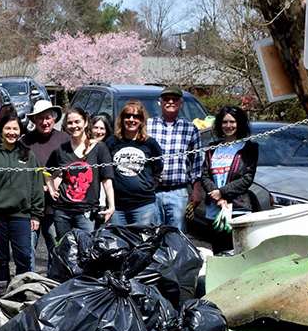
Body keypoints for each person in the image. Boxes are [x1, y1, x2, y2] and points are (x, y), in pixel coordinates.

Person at [0, 113, 44, 296]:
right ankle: (3, 293)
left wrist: (36, 214)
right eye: (8, 128)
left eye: (15, 128)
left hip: (21, 215)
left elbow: (36, 185)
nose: (11, 132)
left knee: (23, 256)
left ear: (20, 131)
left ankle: (23, 292)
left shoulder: (28, 155)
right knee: (0, 258)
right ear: (1, 130)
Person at [43, 106, 116, 239]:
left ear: (86, 122)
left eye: (77, 122)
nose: (73, 126)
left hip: (86, 211)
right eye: (70, 123)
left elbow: (107, 179)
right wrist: (52, 189)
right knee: (64, 249)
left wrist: (111, 205)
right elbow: (46, 171)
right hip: (62, 209)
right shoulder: (60, 150)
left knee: (86, 250)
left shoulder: (99, 148)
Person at [144, 85, 202, 233]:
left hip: (178, 193)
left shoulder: (190, 129)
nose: (170, 102)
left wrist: (196, 192)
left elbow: (196, 163)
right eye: (166, 99)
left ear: (180, 103)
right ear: (160, 102)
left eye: (175, 99)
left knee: (177, 237)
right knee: (153, 235)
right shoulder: (148, 125)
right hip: (152, 192)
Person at [200, 105, 257, 253]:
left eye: (232, 122)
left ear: (239, 123)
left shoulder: (249, 148)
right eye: (225, 122)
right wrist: (217, 197)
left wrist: (223, 192)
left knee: (240, 253)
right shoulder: (212, 148)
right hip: (214, 210)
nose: (228, 126)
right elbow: (205, 175)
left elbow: (247, 178)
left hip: (239, 210)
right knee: (220, 253)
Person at [21, 100, 69, 268]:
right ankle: (29, 283)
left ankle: (53, 283)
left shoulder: (64, 139)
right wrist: (38, 187)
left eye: (48, 117)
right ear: (34, 121)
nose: (45, 122)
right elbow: (20, 169)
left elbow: (73, 164)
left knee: (55, 247)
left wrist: (59, 179)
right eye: (40, 118)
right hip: (30, 204)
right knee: (28, 249)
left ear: (54, 118)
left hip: (54, 204)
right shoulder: (25, 141)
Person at [106, 100, 163, 226]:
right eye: (127, 116)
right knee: (117, 244)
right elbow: (105, 171)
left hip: (144, 205)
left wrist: (148, 187)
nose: (131, 120)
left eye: (136, 116)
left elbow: (158, 169)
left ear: (142, 121)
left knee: (144, 243)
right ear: (122, 119)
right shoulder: (111, 142)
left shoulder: (150, 143)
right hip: (117, 206)